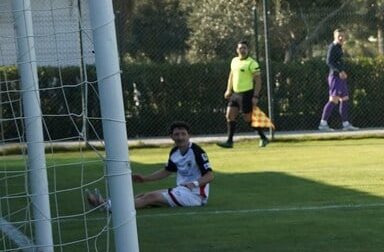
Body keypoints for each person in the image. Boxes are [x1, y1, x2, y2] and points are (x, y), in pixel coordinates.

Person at [86, 121, 214, 211]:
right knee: (143, 195)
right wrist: (145, 178)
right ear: (171, 137)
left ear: (189, 135)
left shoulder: (197, 151)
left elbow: (210, 175)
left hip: (195, 196)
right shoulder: (174, 152)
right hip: (182, 191)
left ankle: (108, 206)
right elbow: (167, 171)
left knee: (150, 197)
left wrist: (194, 184)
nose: (180, 137)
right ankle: (105, 203)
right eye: (177, 134)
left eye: (183, 134)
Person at [217, 39, 269, 148]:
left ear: (248, 50)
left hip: (246, 94)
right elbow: (231, 75)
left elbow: (258, 80)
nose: (242, 50)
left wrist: (255, 96)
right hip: (235, 94)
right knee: (230, 115)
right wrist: (228, 90)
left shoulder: (251, 63)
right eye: (240, 48)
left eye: (244, 48)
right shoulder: (234, 61)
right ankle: (229, 141)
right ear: (237, 50)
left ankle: (263, 137)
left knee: (247, 118)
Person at [318, 28, 359, 131]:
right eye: (339, 36)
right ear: (334, 37)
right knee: (333, 100)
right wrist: (340, 71)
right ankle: (323, 123)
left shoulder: (340, 47)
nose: (341, 38)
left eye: (342, 36)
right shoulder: (333, 47)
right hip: (335, 78)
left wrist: (342, 71)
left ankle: (345, 124)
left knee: (345, 98)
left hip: (340, 78)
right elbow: (329, 62)